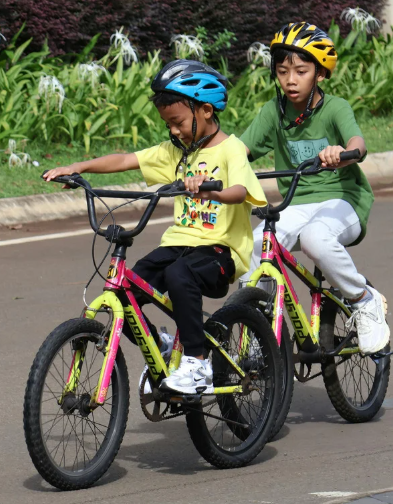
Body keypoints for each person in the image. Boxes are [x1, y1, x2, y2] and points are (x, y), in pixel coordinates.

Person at [43, 60, 267, 394]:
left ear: (206, 110)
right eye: (168, 124)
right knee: (124, 291)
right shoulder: (174, 153)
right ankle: (161, 344)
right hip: (179, 244)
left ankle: (197, 362)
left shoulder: (230, 149)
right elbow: (124, 160)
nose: (174, 131)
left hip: (222, 251)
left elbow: (240, 192)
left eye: (177, 122)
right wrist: (77, 168)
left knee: (180, 275)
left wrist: (208, 188)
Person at [239, 22, 390, 354]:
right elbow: (239, 151)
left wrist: (344, 152)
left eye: (301, 71)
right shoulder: (273, 113)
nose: (290, 80)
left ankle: (364, 300)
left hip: (344, 201)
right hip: (297, 203)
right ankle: (257, 330)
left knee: (315, 239)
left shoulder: (335, 108)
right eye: (282, 72)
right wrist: (205, 165)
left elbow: (358, 143)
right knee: (255, 244)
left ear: (320, 73)